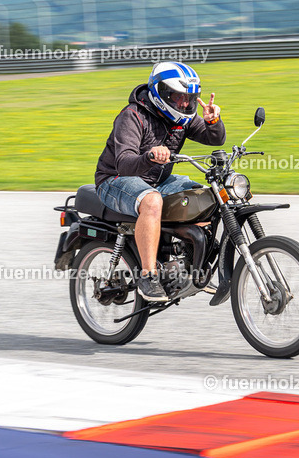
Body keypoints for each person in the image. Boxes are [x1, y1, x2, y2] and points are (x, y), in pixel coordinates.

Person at [94, 61, 225, 302]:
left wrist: (212, 121)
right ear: (161, 93)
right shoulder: (132, 116)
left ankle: (191, 267)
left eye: (189, 98)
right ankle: (148, 275)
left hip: (157, 179)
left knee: (204, 198)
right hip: (115, 179)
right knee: (152, 201)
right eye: (178, 97)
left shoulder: (183, 118)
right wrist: (149, 157)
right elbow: (124, 163)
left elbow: (214, 140)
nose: (184, 104)